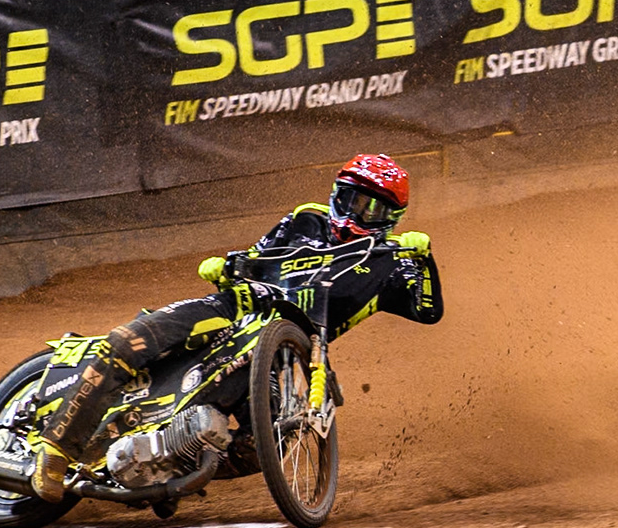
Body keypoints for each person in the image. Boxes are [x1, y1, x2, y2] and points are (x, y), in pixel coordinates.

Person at [22, 153, 444, 503]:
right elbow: (257, 255)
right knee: (127, 341)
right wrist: (225, 266)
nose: (356, 213)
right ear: (336, 195)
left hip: (290, 349)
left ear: (391, 217)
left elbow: (427, 311)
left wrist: (423, 260)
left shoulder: (393, 261)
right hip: (234, 309)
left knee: (265, 446)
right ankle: (55, 449)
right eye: (351, 199)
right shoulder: (307, 219)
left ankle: (170, 466)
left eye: (372, 208)